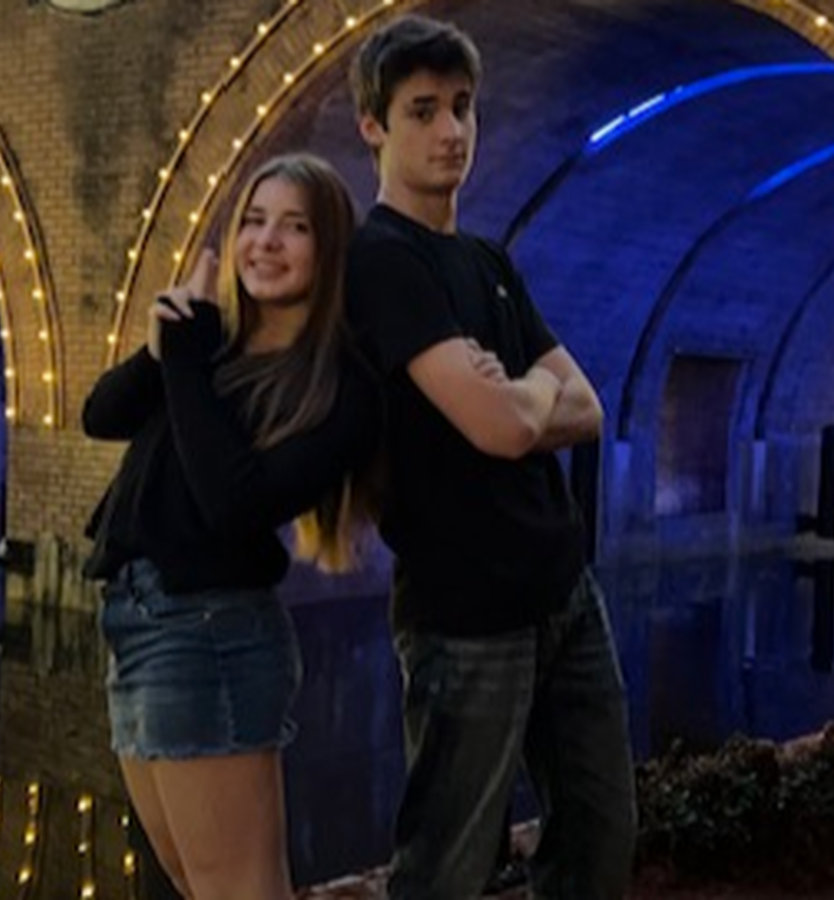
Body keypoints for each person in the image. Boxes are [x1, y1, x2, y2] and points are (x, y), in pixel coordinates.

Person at [344, 14, 637, 900]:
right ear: (373, 125)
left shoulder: (489, 262)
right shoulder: (379, 262)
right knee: (447, 866)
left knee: (600, 837)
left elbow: (588, 408)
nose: (452, 131)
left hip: (565, 593)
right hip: (466, 616)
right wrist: (530, 397)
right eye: (423, 110)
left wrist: (519, 393)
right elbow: (501, 431)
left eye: (463, 107)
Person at [81, 152, 381, 900]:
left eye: (295, 227)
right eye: (253, 221)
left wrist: (184, 366)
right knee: (194, 881)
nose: (266, 242)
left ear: (329, 249)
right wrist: (165, 345)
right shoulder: (211, 344)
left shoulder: (338, 387)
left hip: (209, 634)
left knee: (236, 890)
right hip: (135, 619)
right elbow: (100, 415)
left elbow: (233, 504)